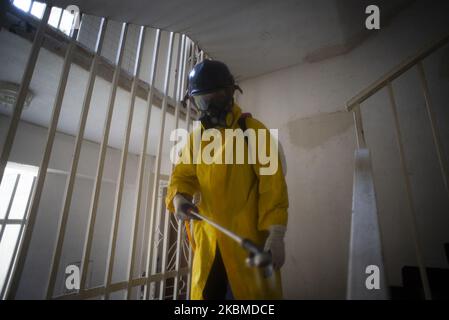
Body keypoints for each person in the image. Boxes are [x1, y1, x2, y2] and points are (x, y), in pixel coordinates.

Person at [165, 59, 289, 300]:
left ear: (232, 93)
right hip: (209, 246)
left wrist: (276, 233)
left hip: (248, 243)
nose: (211, 109)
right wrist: (180, 196)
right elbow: (182, 175)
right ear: (194, 103)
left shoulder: (252, 131)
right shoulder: (195, 139)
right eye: (203, 101)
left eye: (217, 99)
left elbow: (272, 187)